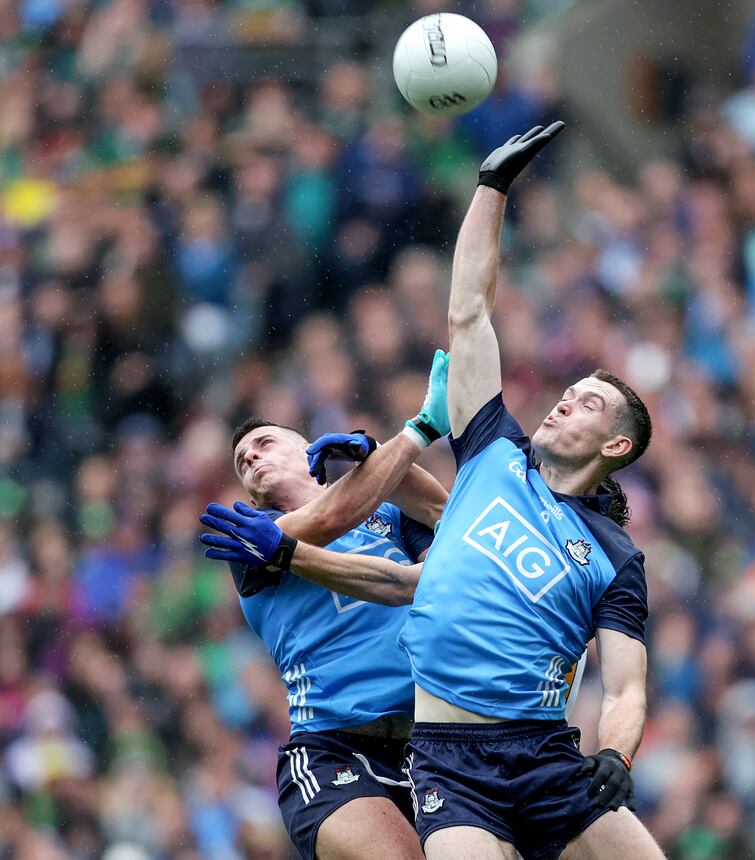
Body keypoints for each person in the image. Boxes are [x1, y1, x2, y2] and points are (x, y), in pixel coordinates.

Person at [395, 123, 665, 860]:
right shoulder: (489, 449)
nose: (561, 402)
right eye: (567, 391)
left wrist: (615, 753)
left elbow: (625, 689)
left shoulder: (615, 560)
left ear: (616, 446)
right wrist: (491, 189)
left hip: (545, 758)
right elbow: (468, 313)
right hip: (451, 761)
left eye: (586, 403)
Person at [198, 351, 451, 860]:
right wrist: (417, 432)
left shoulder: (388, 514)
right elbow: (333, 514)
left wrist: (376, 455)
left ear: (306, 448)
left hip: (431, 743)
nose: (251, 458)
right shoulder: (249, 541)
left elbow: (449, 532)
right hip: (334, 748)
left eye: (264, 444)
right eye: (242, 461)